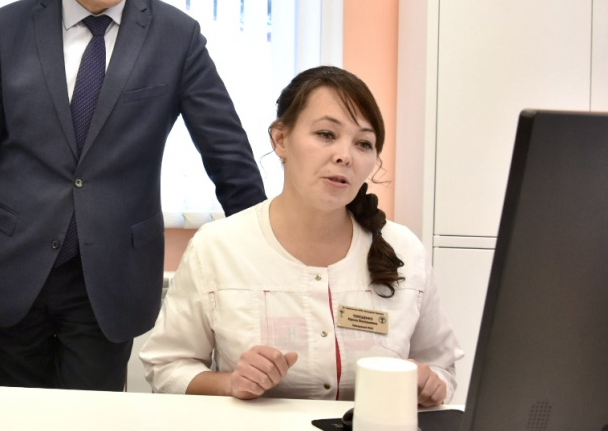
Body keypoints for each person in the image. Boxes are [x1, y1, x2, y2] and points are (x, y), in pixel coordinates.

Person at [0, 0, 266, 392]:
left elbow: (227, 154)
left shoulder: (175, 37)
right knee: (15, 423)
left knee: (93, 427)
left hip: (112, 276)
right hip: (14, 269)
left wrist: (266, 258)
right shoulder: (7, 28)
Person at [140, 66, 462, 404]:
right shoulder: (217, 246)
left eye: (363, 143)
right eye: (326, 134)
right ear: (281, 139)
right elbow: (166, 366)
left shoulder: (404, 249)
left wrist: (431, 383)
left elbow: (441, 367)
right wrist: (231, 383)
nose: (344, 155)